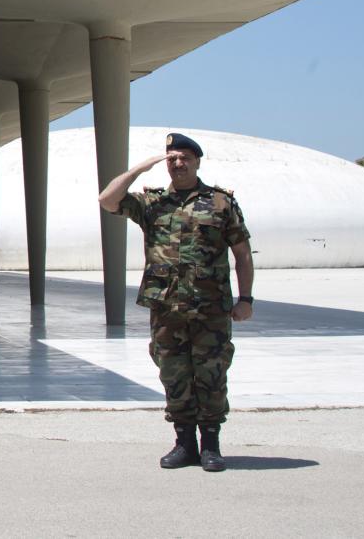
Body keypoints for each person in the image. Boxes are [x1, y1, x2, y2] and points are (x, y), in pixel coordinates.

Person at [98, 132, 255, 472]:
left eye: (185, 158)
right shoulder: (152, 203)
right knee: (173, 374)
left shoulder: (220, 203)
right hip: (167, 309)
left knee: (212, 374)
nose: (178, 163)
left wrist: (246, 299)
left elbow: (242, 254)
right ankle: (184, 443)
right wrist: (139, 168)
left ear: (197, 162)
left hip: (210, 307)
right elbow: (107, 200)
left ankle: (210, 445)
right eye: (172, 158)